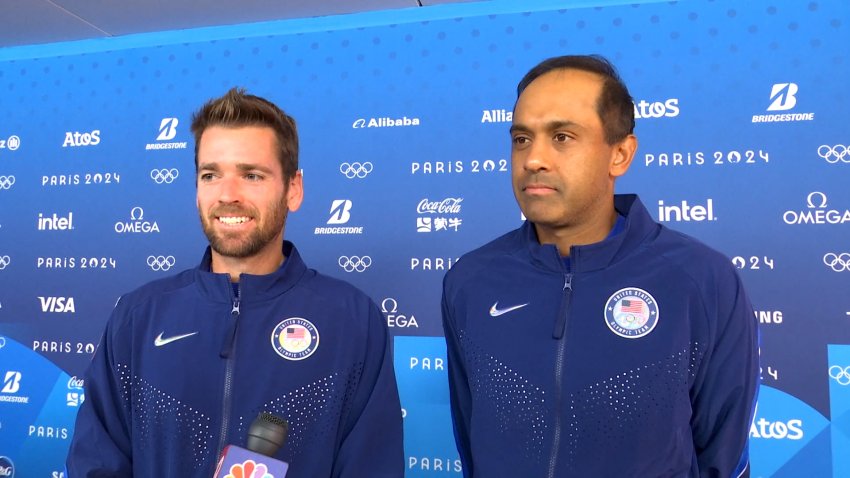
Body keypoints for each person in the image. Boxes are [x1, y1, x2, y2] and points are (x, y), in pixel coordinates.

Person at [441, 55, 758, 477]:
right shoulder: (470, 281)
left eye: (562, 137)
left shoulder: (701, 280)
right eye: (521, 139)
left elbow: (724, 455)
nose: (533, 159)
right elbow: (471, 443)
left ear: (621, 154)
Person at [66, 88, 404, 477]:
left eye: (252, 175)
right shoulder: (138, 316)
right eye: (211, 175)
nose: (228, 195)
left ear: (293, 189)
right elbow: (96, 463)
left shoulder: (352, 321)